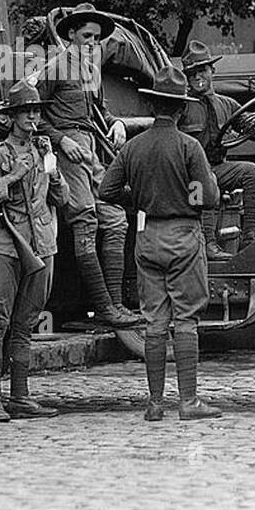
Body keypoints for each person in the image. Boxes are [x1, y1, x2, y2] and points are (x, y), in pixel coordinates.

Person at [99, 64, 223, 422]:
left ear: (153, 107)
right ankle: (189, 402)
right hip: (183, 237)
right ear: (182, 109)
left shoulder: (134, 148)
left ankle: (154, 404)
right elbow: (209, 198)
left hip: (147, 237)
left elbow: (106, 191)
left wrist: (137, 198)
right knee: (185, 320)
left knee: (154, 322)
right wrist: (194, 191)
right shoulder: (189, 147)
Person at [0, 79, 69, 422]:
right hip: (6, 245)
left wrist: (53, 173)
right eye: (25, 111)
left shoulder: (42, 150)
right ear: (11, 117)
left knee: (25, 324)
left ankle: (21, 396)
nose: (32, 117)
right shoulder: (0, 154)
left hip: (40, 245)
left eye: (36, 111)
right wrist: (11, 178)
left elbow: (61, 200)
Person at [35, 3, 143, 328]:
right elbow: (30, 114)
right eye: (86, 36)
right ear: (70, 35)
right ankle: (104, 309)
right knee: (85, 220)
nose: (92, 43)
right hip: (67, 151)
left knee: (115, 219)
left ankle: (116, 306)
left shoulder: (90, 71)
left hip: (92, 147)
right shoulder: (54, 68)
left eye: (96, 39)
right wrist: (60, 140)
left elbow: (99, 112)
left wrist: (118, 124)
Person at [179, 40, 255, 260]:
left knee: (253, 172)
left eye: (202, 71)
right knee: (205, 179)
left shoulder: (227, 105)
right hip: (188, 177)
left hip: (218, 168)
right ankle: (208, 243)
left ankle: (250, 237)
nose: (198, 77)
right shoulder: (181, 106)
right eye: (192, 74)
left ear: (212, 71)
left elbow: (248, 124)